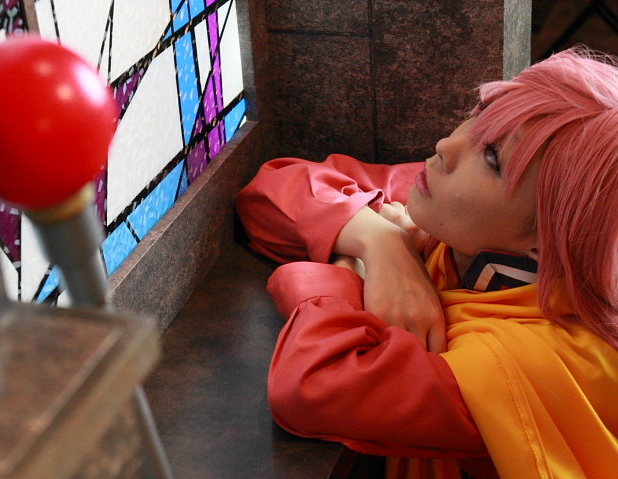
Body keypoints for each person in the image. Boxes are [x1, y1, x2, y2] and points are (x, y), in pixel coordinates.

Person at [235, 47, 618, 478]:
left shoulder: (528, 366)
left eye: (491, 158)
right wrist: (382, 242)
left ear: (546, 243)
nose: (446, 146)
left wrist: (348, 265)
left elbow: (309, 387)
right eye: (480, 115)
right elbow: (268, 194)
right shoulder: (453, 220)